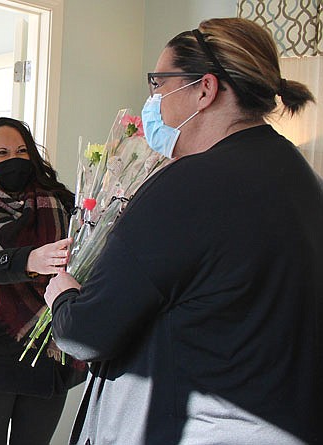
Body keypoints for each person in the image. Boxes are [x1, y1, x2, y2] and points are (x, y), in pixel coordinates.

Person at [44, 17, 323, 445]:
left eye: (158, 83)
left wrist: (62, 294)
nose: (152, 100)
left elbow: (87, 333)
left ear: (205, 90)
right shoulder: (301, 178)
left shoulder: (187, 186)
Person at [0, 117, 87, 445]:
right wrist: (29, 260)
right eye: (4, 152)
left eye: (23, 150)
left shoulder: (62, 203)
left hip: (48, 351)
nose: (15, 159)